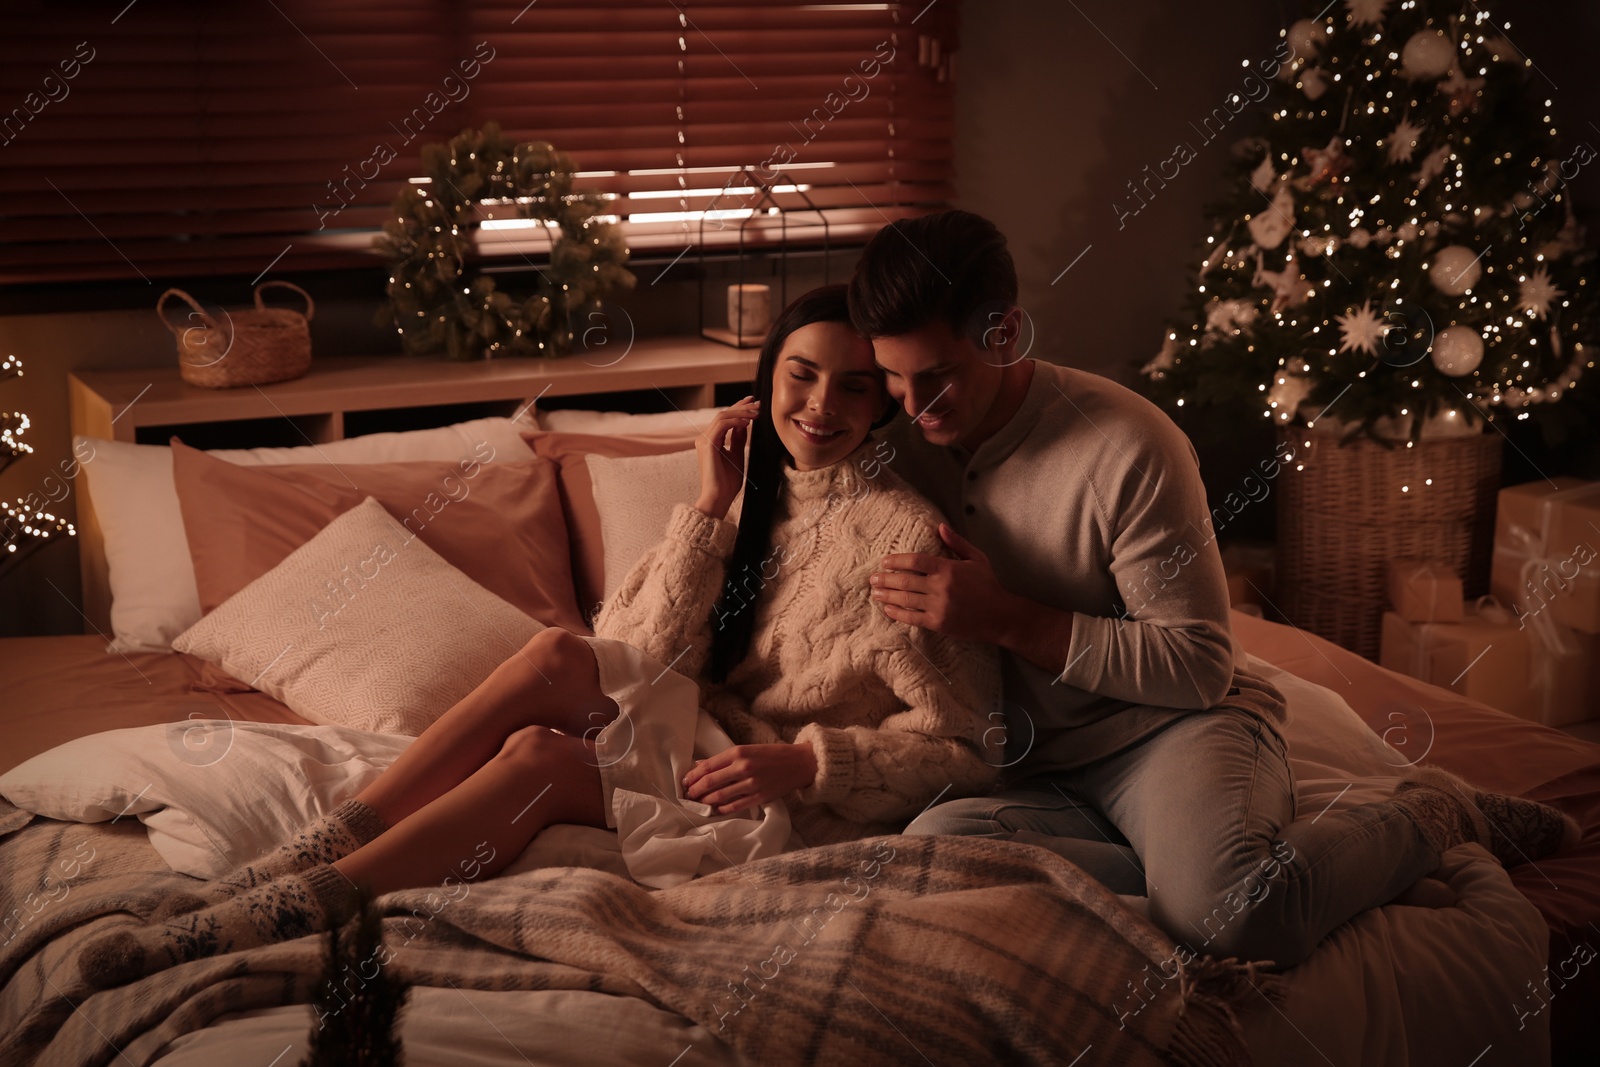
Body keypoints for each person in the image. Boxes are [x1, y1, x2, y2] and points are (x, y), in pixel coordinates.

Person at [80, 284, 1002, 989]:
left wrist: (809, 762)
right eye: (800, 374)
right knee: (561, 656)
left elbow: (974, 746)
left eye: (853, 386)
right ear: (769, 378)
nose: (820, 405)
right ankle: (314, 850)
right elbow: (634, 650)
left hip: (768, 798)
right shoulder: (752, 486)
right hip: (701, 736)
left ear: (883, 404)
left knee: (539, 759)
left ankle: (291, 909)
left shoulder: (904, 539)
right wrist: (708, 510)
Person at [849, 209, 1581, 969]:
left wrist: (1006, 618)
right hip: (1035, 768)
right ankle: (1209, 878)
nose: (911, 406)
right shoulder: (898, 441)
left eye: (935, 377)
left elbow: (1198, 664)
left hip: (1167, 729)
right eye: (892, 379)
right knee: (927, 859)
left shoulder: (1128, 445)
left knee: (1233, 922)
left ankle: (1432, 813)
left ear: (1005, 333)